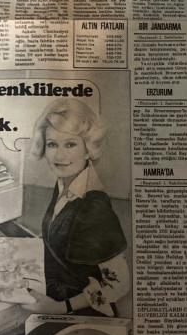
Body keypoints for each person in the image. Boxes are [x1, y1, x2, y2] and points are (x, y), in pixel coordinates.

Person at [22, 98, 130, 317]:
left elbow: (119, 284)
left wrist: (61, 308)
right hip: (56, 291)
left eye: (70, 144)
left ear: (89, 149)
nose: (59, 156)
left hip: (83, 311)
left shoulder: (94, 209)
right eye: (52, 144)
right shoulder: (66, 182)